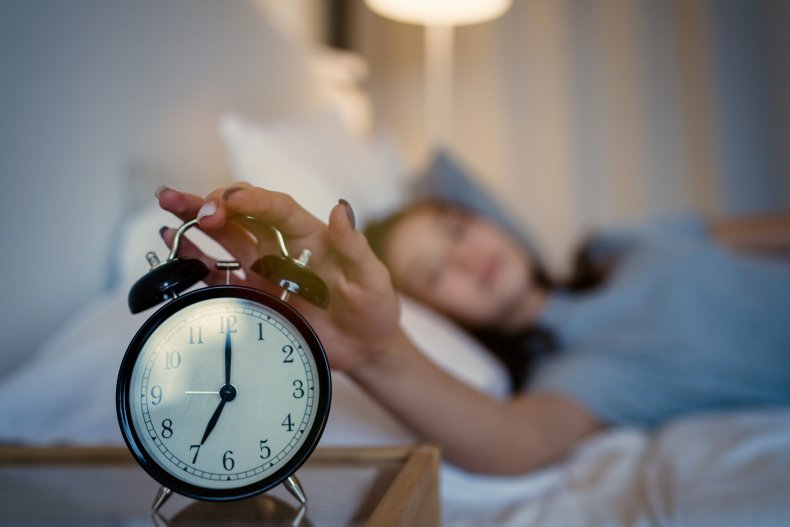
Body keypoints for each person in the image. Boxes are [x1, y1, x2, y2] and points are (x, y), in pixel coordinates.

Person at [157, 183, 790, 475]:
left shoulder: (621, 243)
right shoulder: (579, 373)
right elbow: (512, 441)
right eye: (435, 273)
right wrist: (377, 352)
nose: (467, 256)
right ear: (438, 314)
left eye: (456, 228)